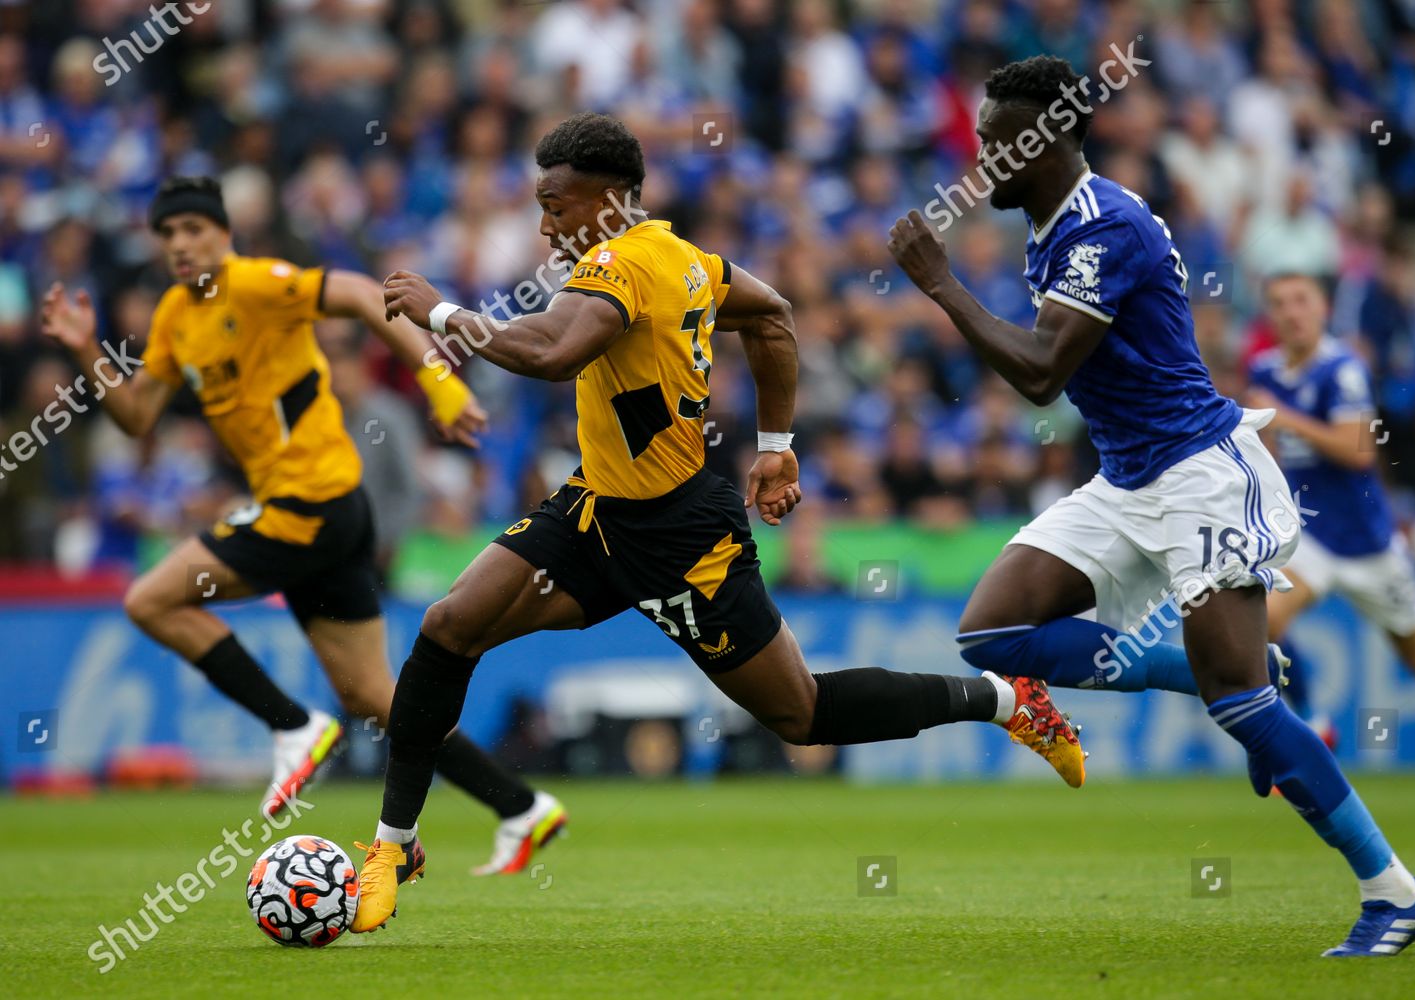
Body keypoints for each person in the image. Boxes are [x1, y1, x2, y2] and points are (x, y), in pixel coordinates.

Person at [350, 111, 1085, 934]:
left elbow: (554, 354)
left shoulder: (622, 265)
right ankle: (395, 842)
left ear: (613, 198)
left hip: (683, 540)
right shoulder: (680, 258)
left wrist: (441, 314)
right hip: (596, 510)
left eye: (558, 204)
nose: (546, 224)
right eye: (540, 205)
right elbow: (771, 315)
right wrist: (776, 446)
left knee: (800, 716)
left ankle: (1004, 700)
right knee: (451, 624)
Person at [885, 57, 1415, 957]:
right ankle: (1208, 669)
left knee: (1242, 705)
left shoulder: (1107, 230)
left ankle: (1395, 892)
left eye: (995, 142)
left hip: (1200, 476)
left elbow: (1039, 375)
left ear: (1048, 138)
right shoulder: (1052, 222)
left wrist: (940, 282)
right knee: (991, 635)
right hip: (1129, 477)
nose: (977, 159)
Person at [40, 176, 566, 877]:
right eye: (168, 234)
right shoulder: (175, 315)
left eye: (194, 229)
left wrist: (437, 379)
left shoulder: (257, 284)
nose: (181, 245)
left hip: (308, 505)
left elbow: (356, 295)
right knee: (375, 699)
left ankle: (293, 727)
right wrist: (85, 350)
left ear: (224, 234)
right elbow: (138, 414)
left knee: (152, 599)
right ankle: (521, 807)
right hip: (329, 514)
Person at [1245, 271, 1415, 821]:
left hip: (1369, 545)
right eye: (1280, 302)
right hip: (1310, 538)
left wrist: (1283, 416)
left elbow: (1359, 451)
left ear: (1323, 308)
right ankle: (1315, 725)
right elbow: (1270, 452)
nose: (1291, 311)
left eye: (1301, 300)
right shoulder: (1263, 370)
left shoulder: (1343, 369)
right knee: (1260, 623)